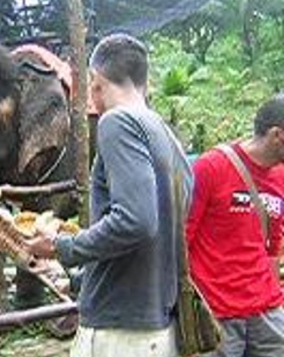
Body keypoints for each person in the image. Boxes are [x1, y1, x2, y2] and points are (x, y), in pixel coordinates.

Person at [27, 33, 192, 357]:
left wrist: (62, 247)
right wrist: (76, 277)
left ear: (95, 81)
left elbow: (137, 221)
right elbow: (154, 232)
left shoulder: (117, 122)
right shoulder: (167, 135)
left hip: (120, 333)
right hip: (154, 324)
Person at [186, 95, 284, 357]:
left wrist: (275, 298)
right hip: (218, 313)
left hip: (266, 312)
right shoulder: (211, 167)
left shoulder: (280, 176)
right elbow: (182, 239)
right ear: (277, 135)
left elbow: (273, 246)